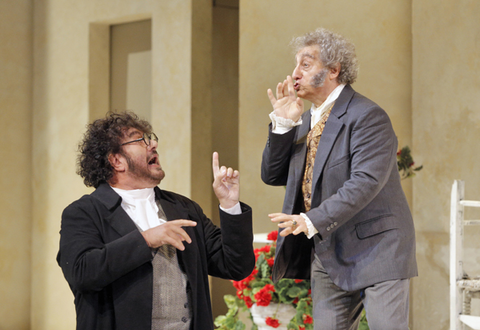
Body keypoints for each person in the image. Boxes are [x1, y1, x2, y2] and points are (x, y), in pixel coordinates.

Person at [261, 28, 417, 330]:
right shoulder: (303, 119)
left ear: (334, 70)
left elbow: (365, 182)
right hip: (328, 250)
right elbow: (272, 175)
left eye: (306, 64)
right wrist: (282, 126)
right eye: (295, 65)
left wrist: (309, 220)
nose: (294, 73)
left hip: (378, 249)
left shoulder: (367, 115)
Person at [57, 111, 255, 330]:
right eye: (140, 139)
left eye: (150, 138)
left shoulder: (184, 208)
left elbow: (236, 266)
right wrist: (147, 239)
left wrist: (230, 206)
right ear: (116, 160)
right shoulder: (84, 212)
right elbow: (82, 273)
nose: (153, 144)